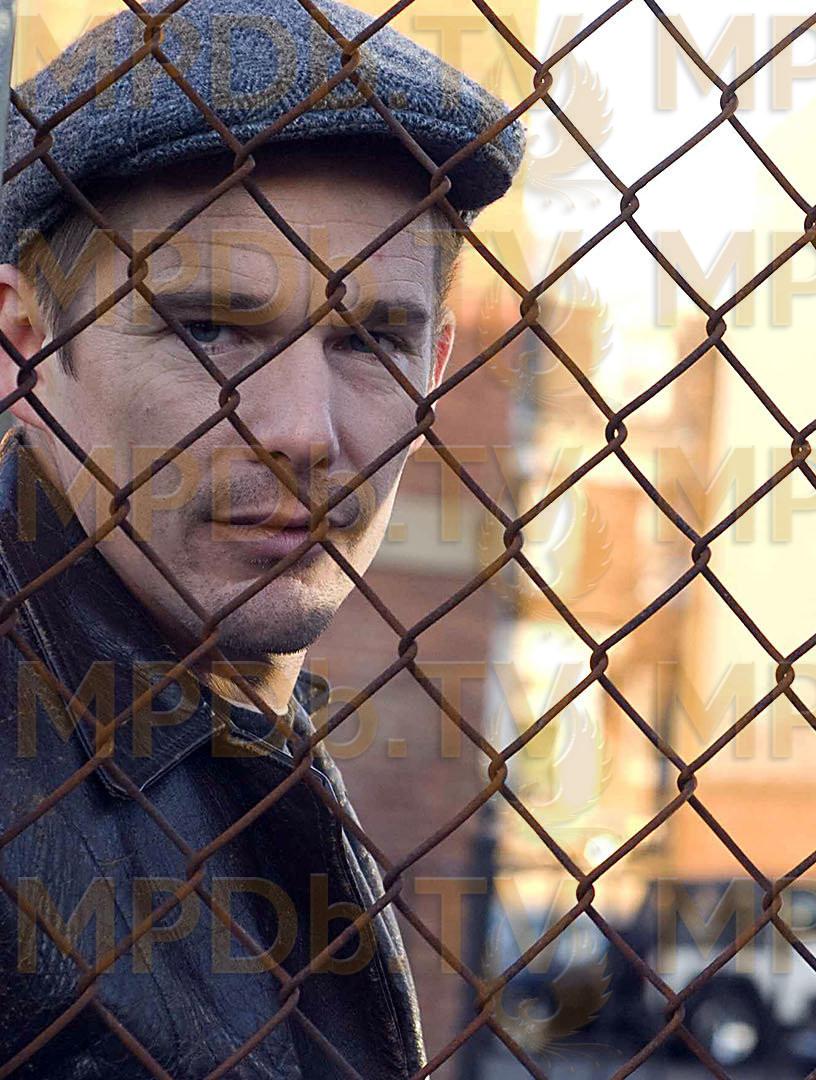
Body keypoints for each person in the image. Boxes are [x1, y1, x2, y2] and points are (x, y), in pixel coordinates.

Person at [0, 1, 521, 1075]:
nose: (302, 432)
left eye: (371, 340)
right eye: (209, 329)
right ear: (27, 346)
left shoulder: (234, 714)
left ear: (436, 366)